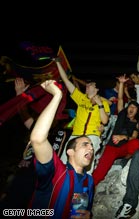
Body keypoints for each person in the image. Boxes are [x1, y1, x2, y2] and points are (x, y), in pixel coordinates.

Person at [29, 80, 94, 219]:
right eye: (85, 144)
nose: (91, 148)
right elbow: (38, 139)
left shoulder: (88, 181)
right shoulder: (57, 171)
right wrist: (57, 96)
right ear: (70, 152)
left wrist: (87, 214)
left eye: (91, 145)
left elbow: (77, 211)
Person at [92, 74, 139, 186]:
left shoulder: (136, 123)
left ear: (137, 111)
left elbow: (134, 137)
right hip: (112, 147)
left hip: (125, 149)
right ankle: (88, 187)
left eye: (134, 108)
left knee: (135, 143)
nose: (131, 108)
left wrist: (123, 137)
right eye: (130, 106)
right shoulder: (121, 115)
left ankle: (128, 159)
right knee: (100, 173)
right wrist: (121, 84)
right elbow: (119, 99)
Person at [54, 57, 110, 174]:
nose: (87, 86)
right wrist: (58, 63)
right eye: (87, 84)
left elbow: (105, 121)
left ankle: (84, 190)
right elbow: (66, 80)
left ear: (96, 89)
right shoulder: (81, 98)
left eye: (90, 85)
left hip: (92, 136)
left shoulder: (104, 103)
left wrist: (99, 104)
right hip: (76, 135)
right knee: (65, 162)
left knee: (87, 165)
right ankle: (62, 187)